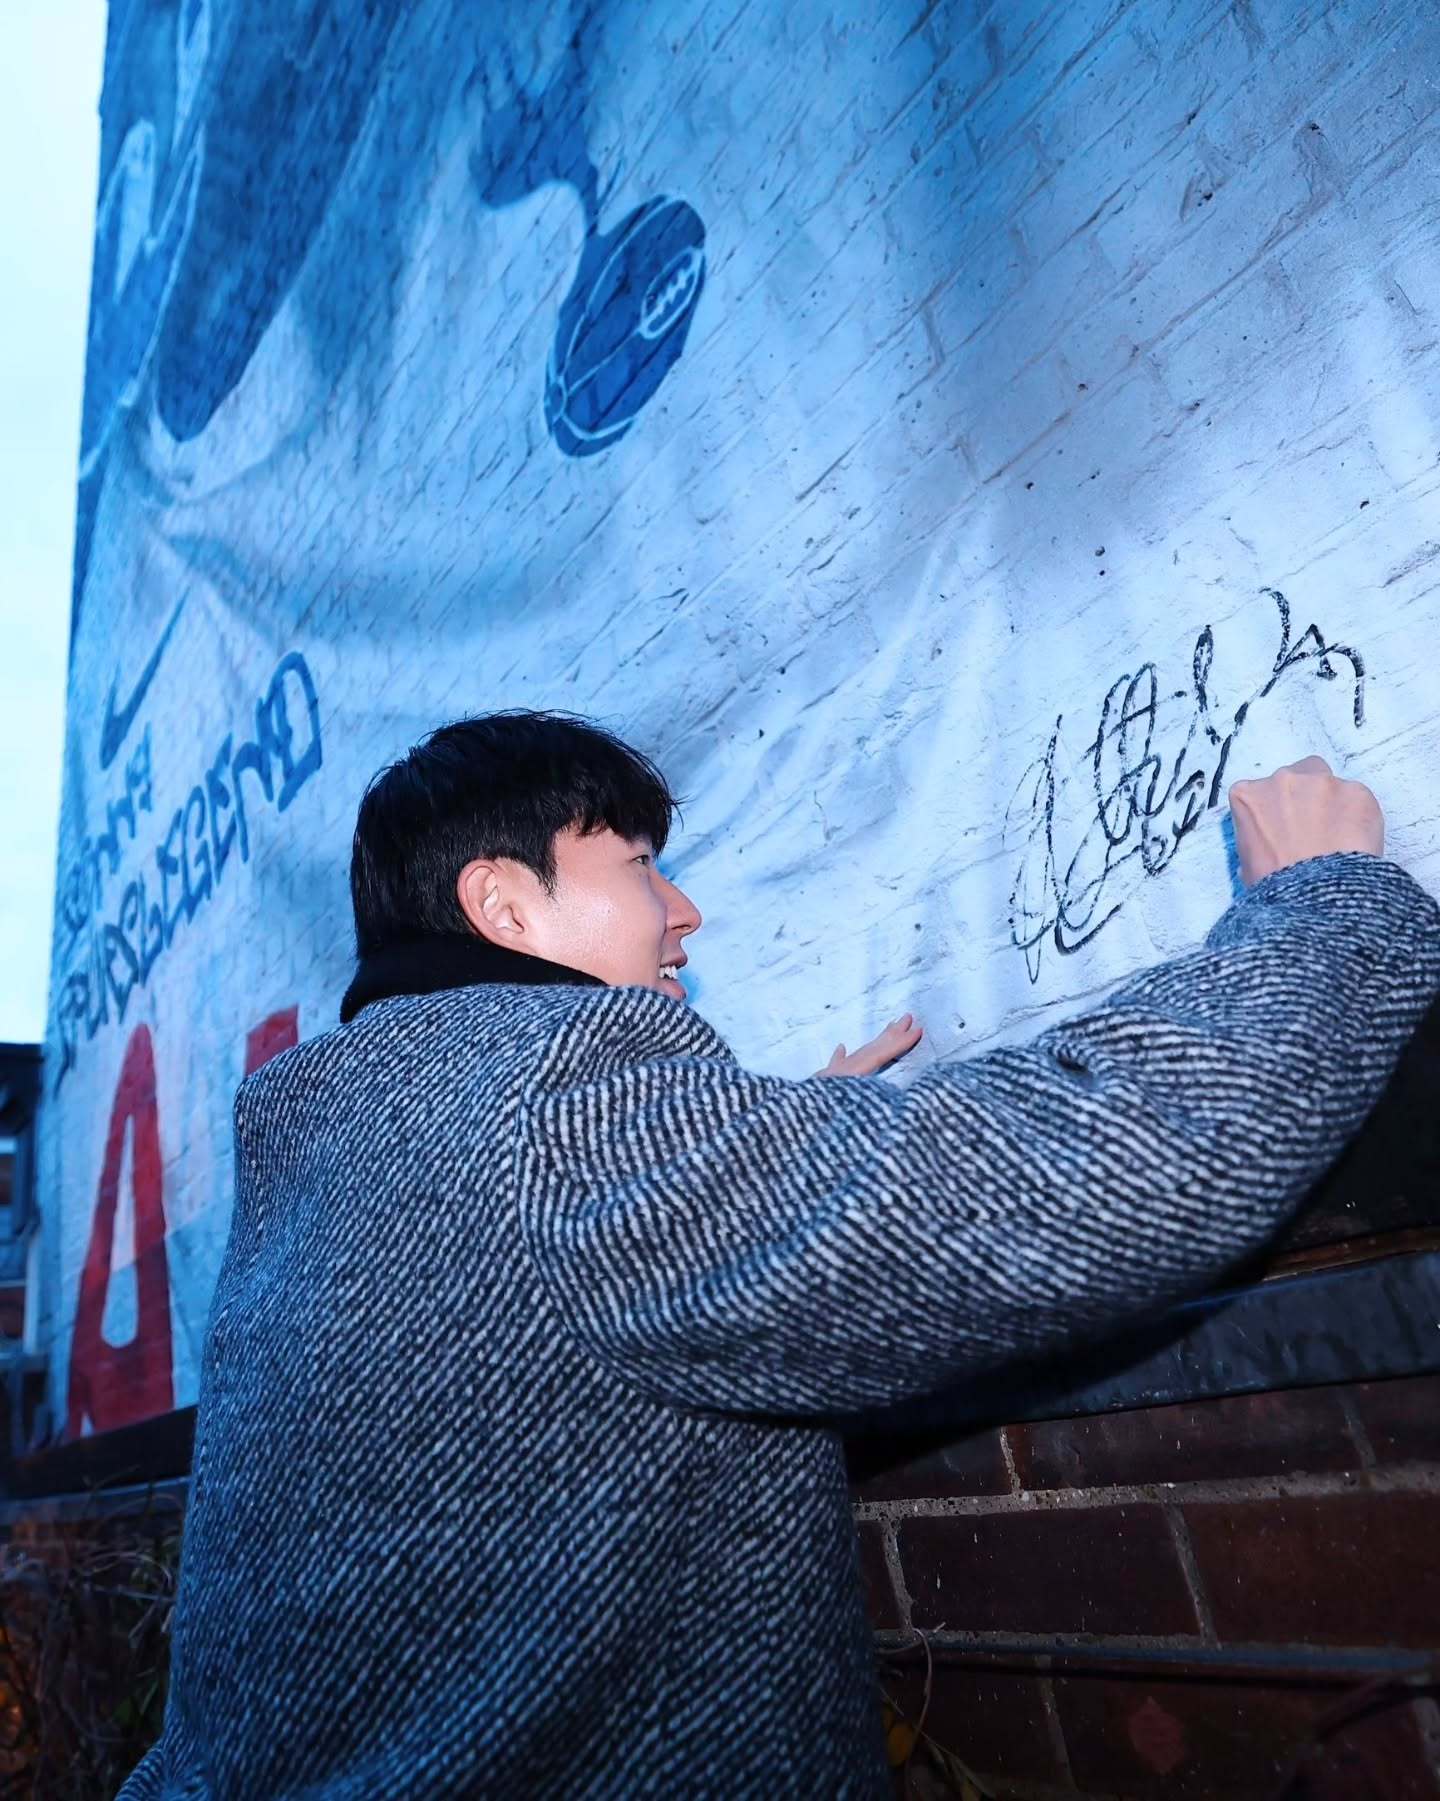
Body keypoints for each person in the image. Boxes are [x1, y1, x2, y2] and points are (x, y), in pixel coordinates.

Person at [121, 711, 1440, 1799]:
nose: (684, 909)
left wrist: (779, 1144)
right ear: (504, 904)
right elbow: (1107, 1166)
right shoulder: (563, 1124)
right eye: (641, 865)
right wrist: (1323, 903)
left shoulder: (345, 1166)